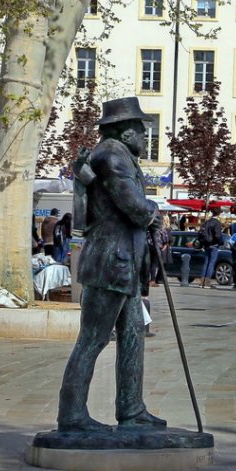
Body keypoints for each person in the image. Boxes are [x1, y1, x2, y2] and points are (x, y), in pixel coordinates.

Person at [57, 96, 164, 432]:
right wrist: (152, 213)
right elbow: (132, 205)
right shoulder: (113, 154)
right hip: (111, 263)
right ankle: (72, 414)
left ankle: (131, 410)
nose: (145, 137)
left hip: (125, 265)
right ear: (124, 131)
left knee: (133, 334)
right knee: (93, 339)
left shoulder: (117, 154)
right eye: (140, 130)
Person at [198, 211, 224, 288]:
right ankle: (207, 282)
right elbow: (217, 235)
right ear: (218, 214)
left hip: (207, 244)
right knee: (211, 263)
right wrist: (221, 242)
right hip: (214, 245)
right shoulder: (217, 223)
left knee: (206, 262)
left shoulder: (207, 222)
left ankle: (201, 282)